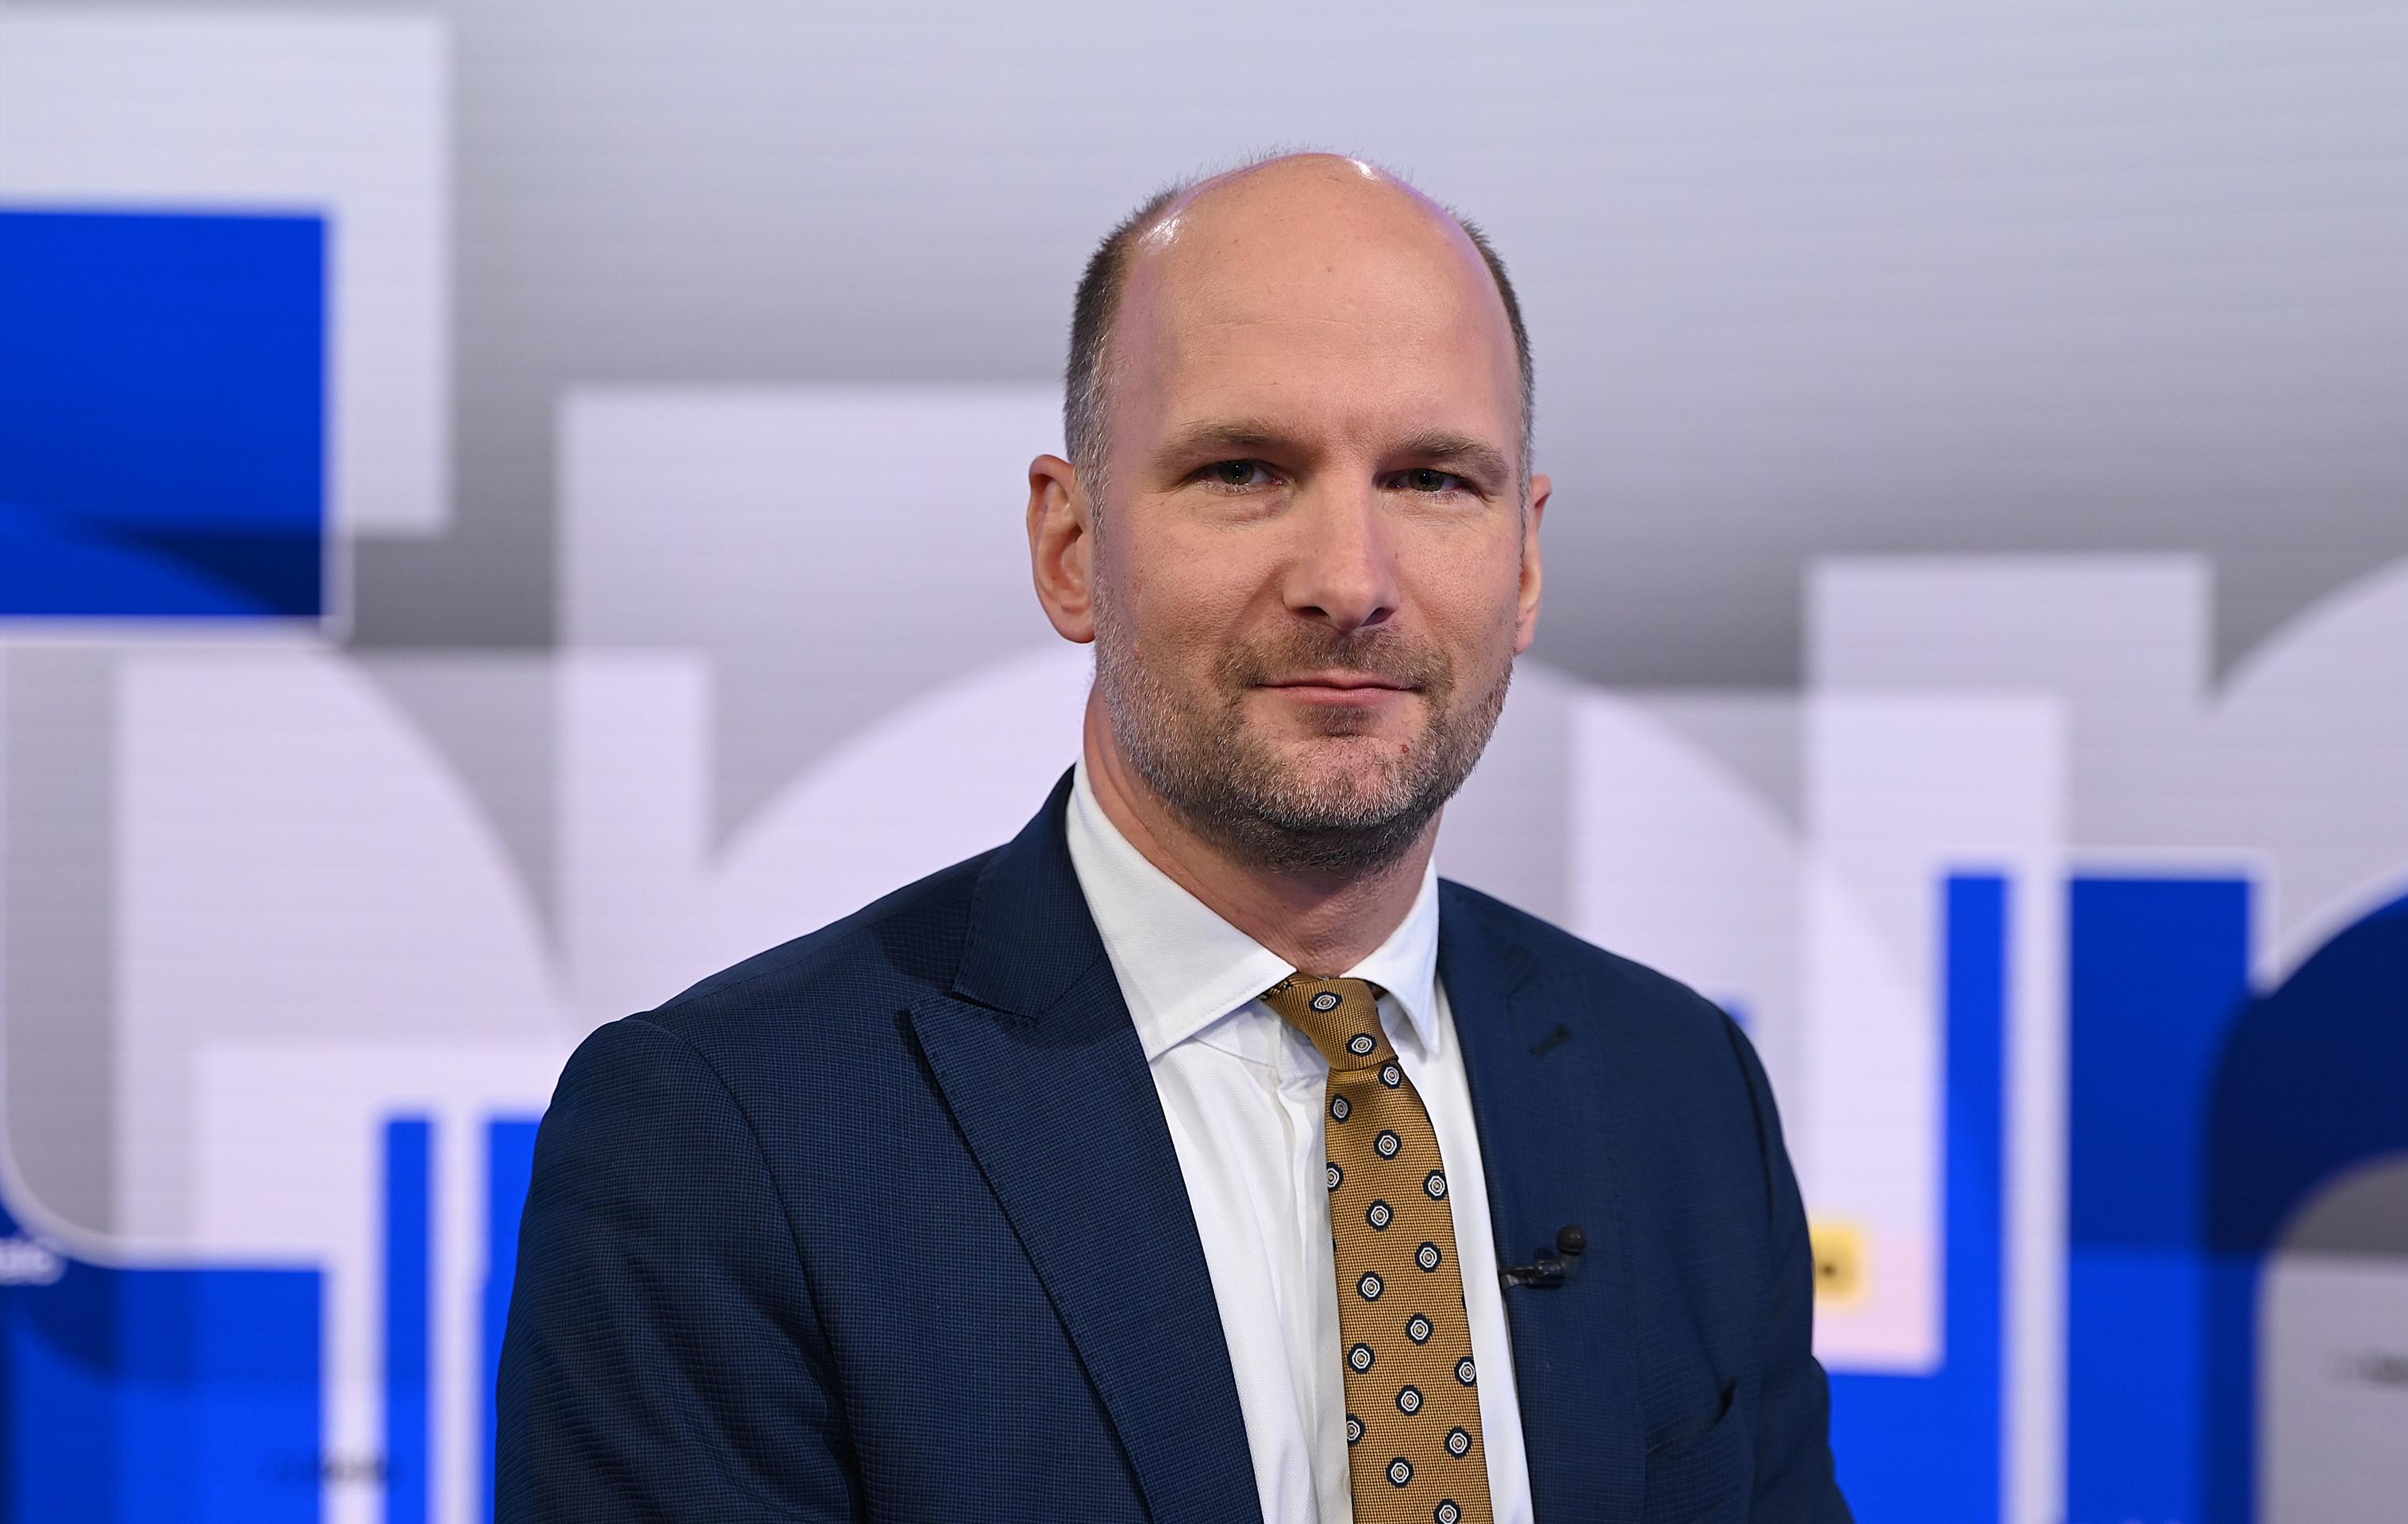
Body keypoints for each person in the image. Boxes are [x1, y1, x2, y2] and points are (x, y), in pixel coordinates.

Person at [497, 152, 1850, 1524]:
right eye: (1244, 470)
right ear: (1071, 548)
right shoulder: (727, 1139)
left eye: (1432, 480)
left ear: (1526, 561)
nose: (1349, 583)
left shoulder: (1680, 1091)